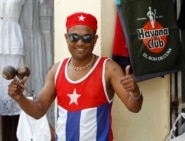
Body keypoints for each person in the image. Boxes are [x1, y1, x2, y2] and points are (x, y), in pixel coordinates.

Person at [8, 11, 143, 140]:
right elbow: (38, 111)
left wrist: (135, 92)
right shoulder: (56, 70)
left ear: (95, 39)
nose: (80, 43)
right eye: (74, 37)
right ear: (66, 38)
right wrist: (20, 98)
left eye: (86, 38)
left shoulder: (108, 69)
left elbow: (134, 107)